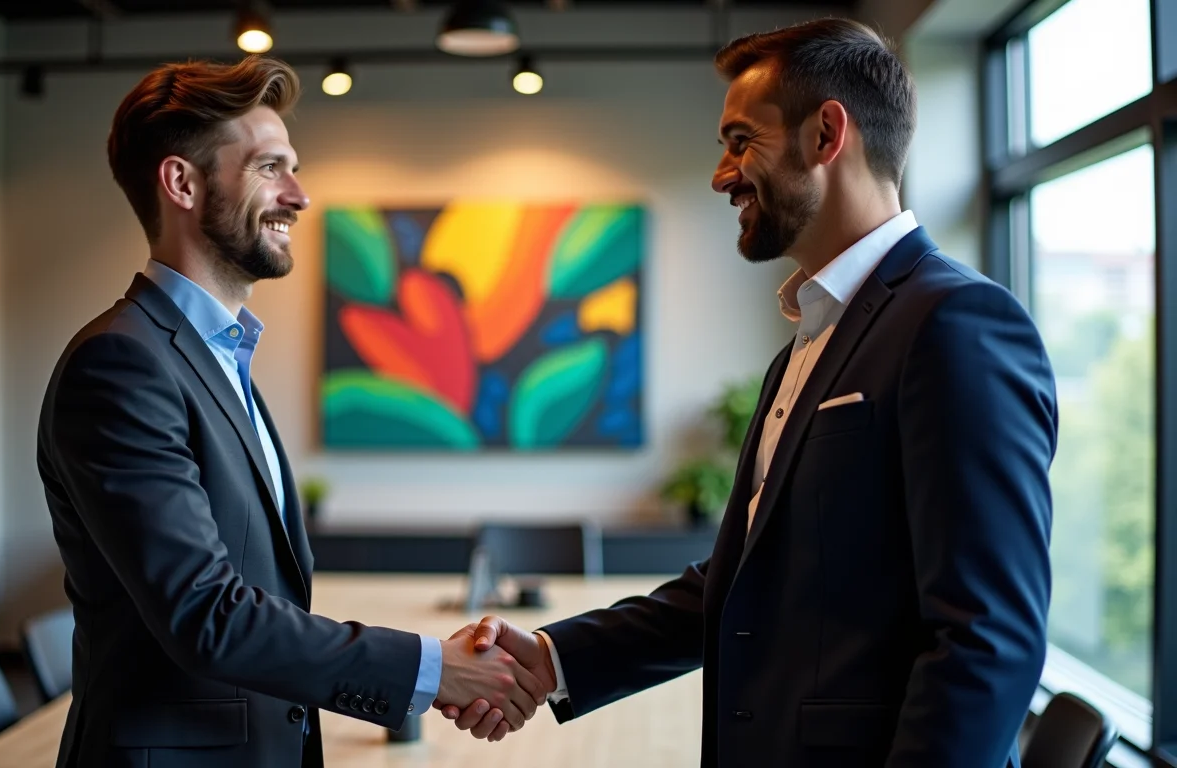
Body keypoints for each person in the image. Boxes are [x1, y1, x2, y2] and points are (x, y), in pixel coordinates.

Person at [438, 17, 1058, 766]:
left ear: (827, 134)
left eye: (740, 141)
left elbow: (987, 637)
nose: (721, 173)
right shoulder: (808, 339)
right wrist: (549, 658)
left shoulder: (956, 322)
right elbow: (741, 584)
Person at [36, 56, 546, 768]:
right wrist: (432, 669)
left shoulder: (217, 356)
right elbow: (205, 614)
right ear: (182, 182)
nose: (300, 196)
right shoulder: (119, 365)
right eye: (270, 168)